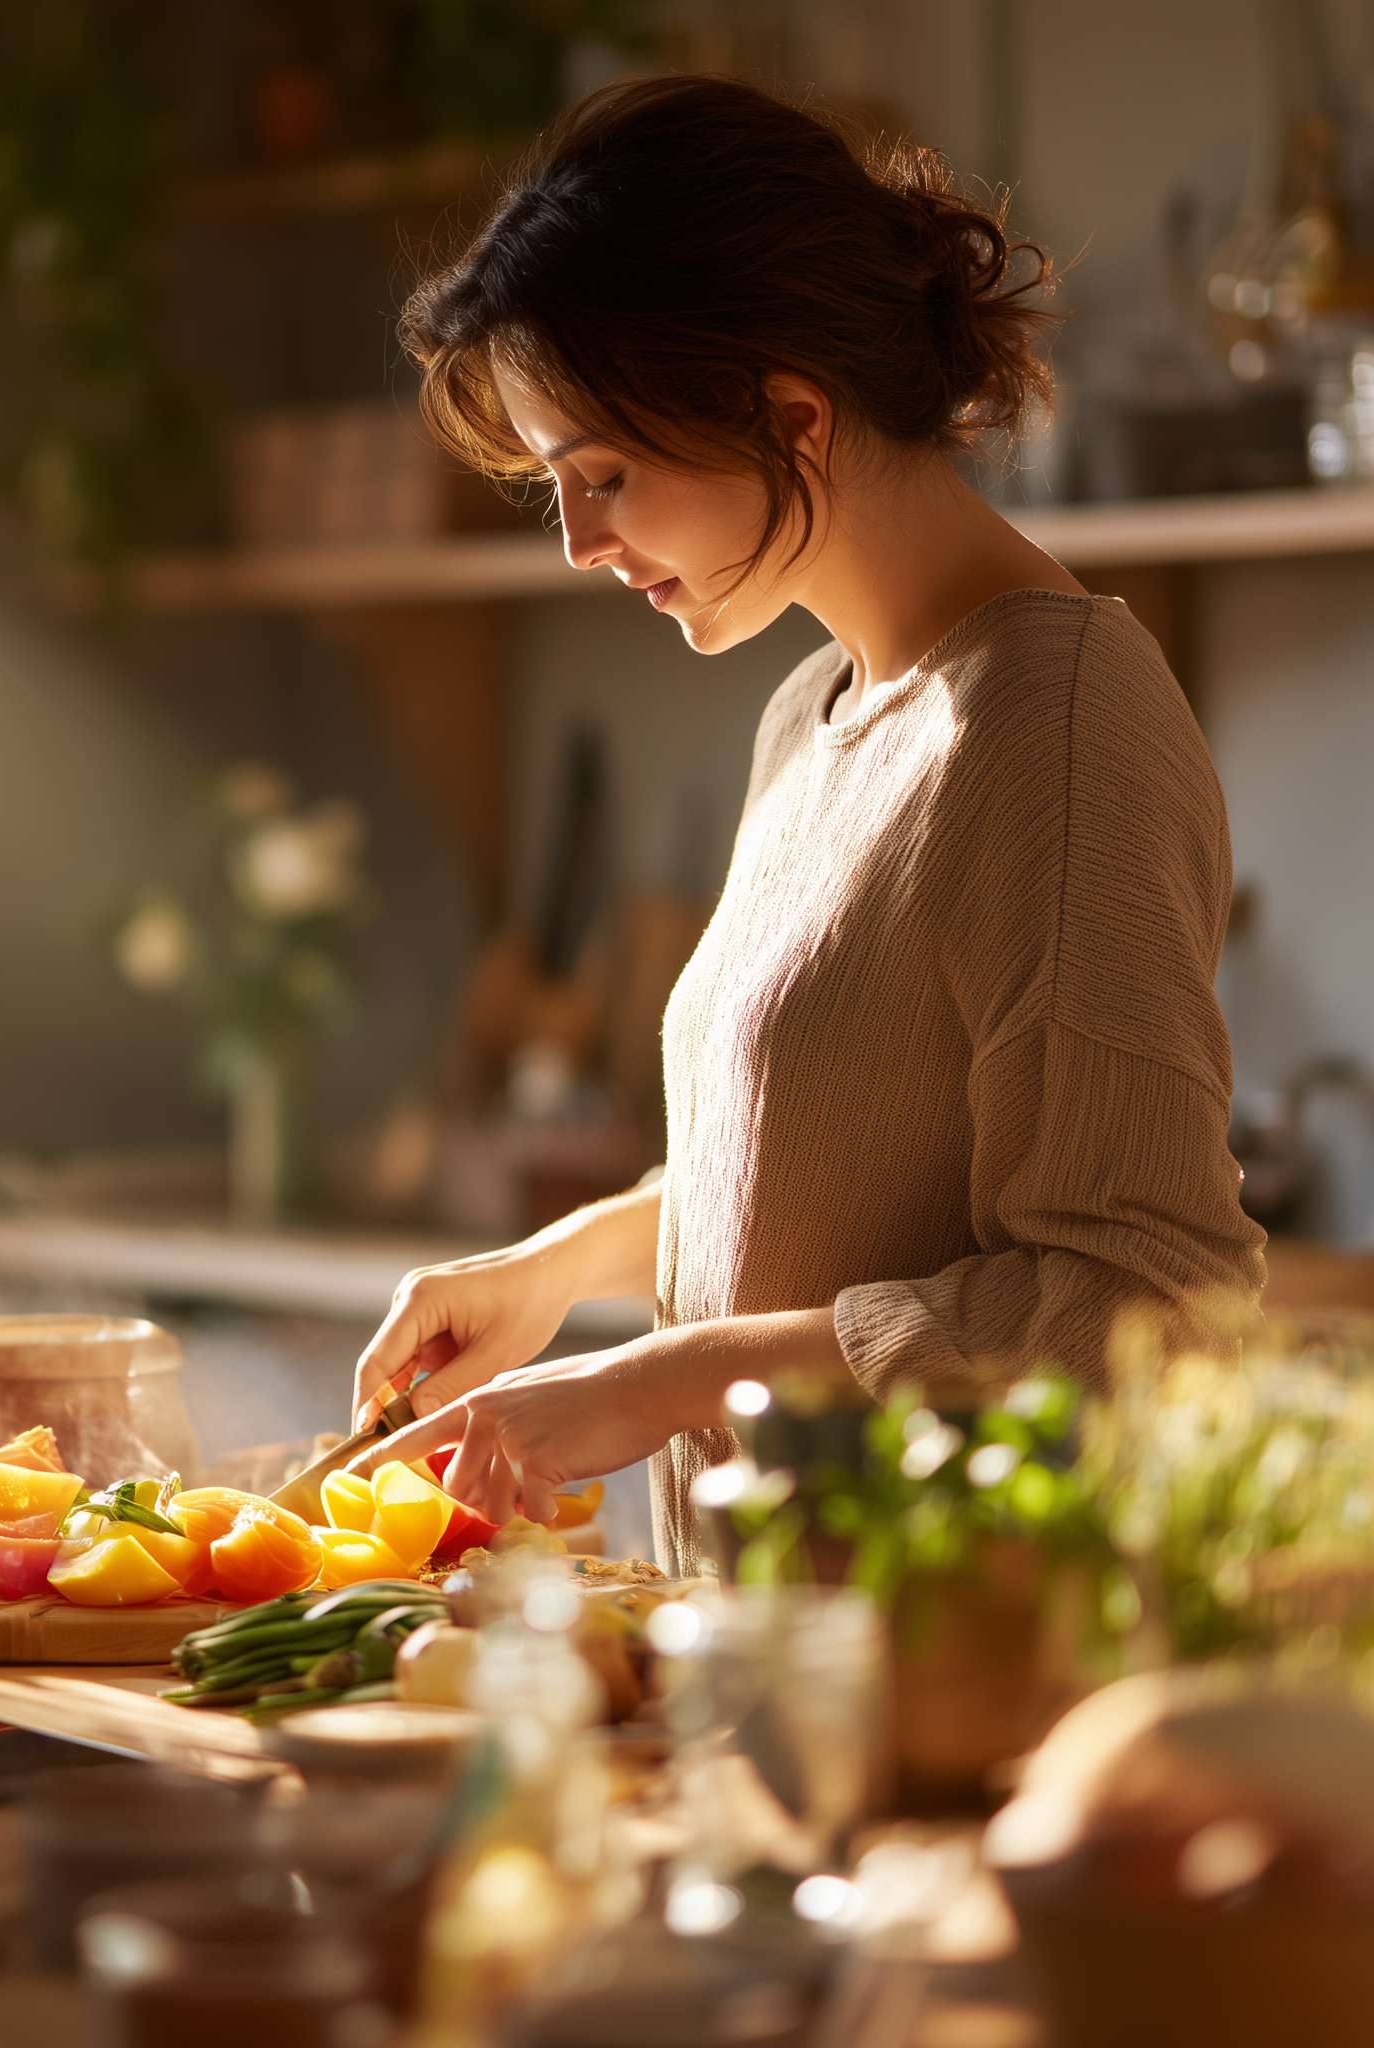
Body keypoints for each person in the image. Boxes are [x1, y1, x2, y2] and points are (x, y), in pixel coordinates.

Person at [346, 74, 1267, 1574]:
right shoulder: (814, 714)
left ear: (791, 417)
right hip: (763, 1656)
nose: (578, 543)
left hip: (953, 1669)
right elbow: (820, 1173)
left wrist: (665, 1381)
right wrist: (555, 1267)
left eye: (605, 474)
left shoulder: (1057, 731)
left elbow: (1141, 1301)